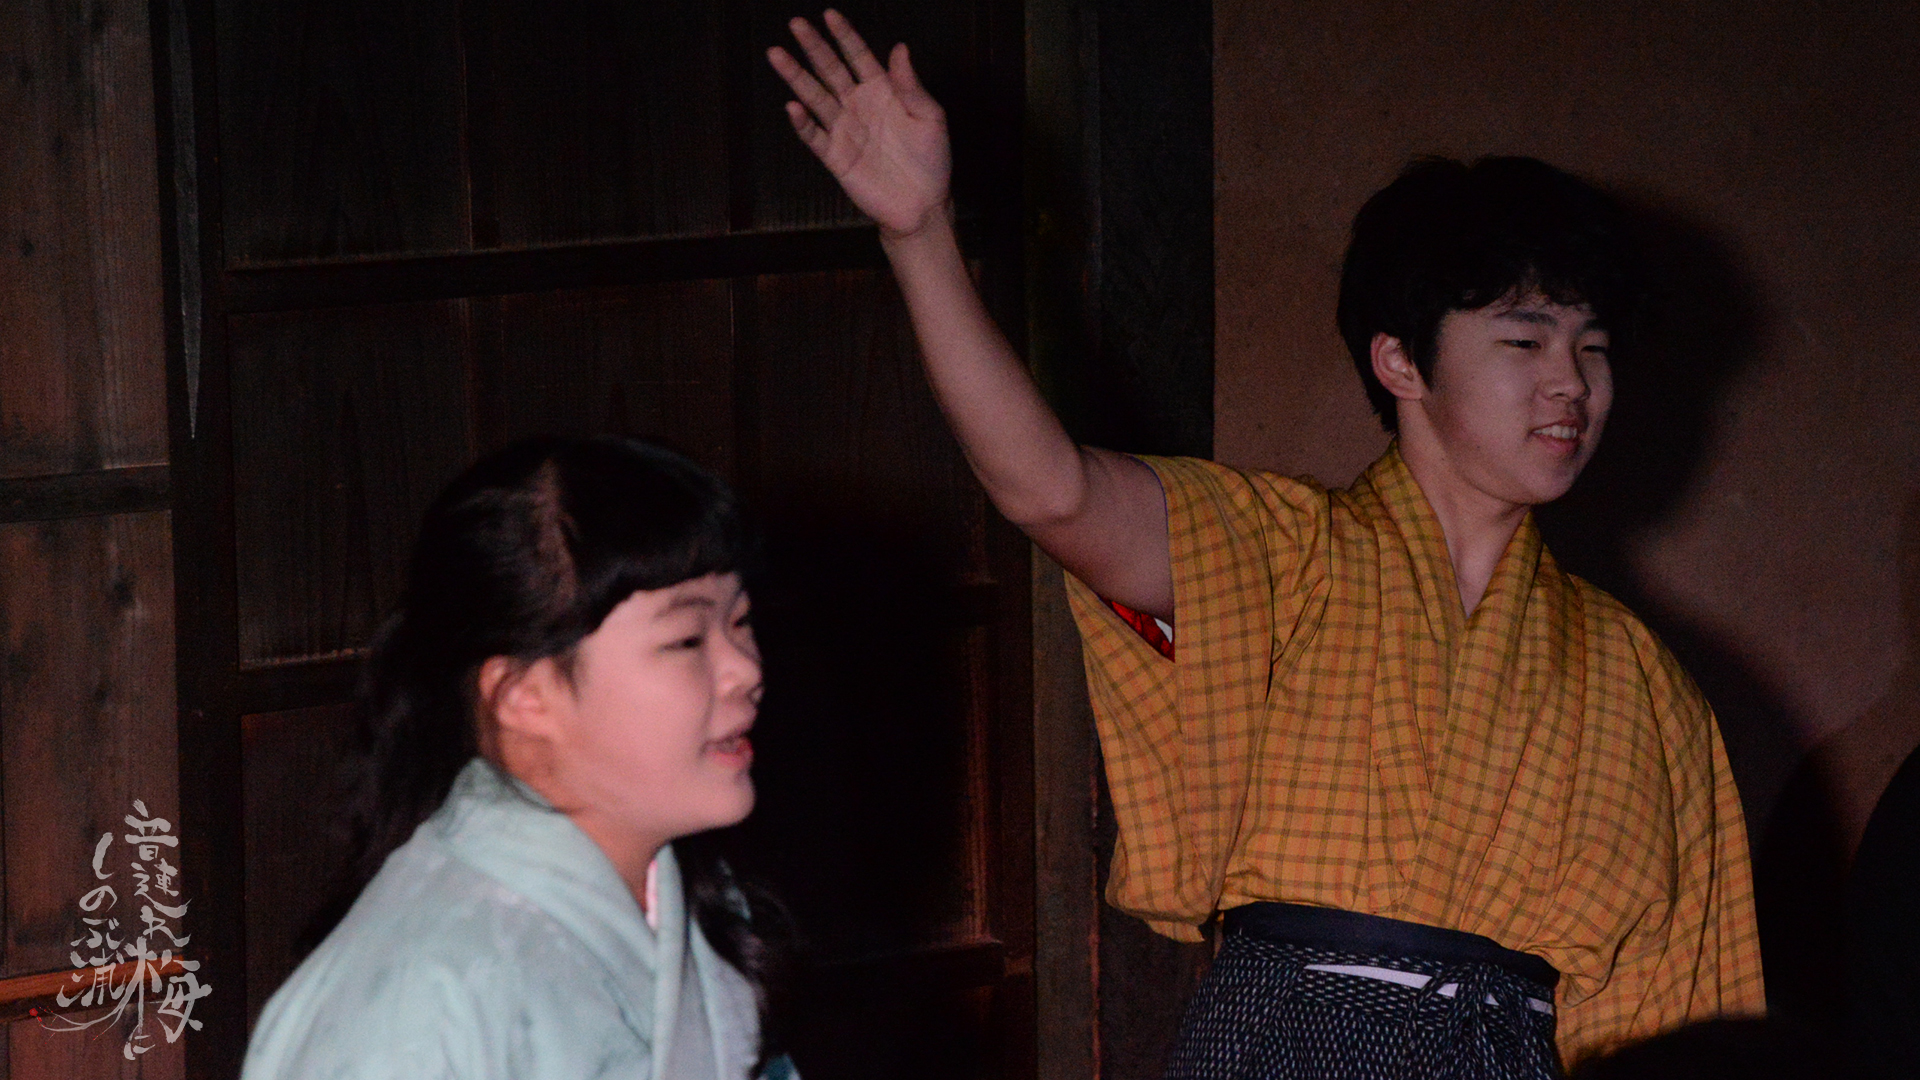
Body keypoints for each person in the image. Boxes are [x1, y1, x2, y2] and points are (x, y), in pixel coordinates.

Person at [769, 11, 1764, 1076]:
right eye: (1525, 339)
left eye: (1593, 348)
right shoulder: (1279, 554)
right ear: (1400, 362)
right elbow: (1050, 490)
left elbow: (1685, 1020)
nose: (1571, 384)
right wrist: (920, 236)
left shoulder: (1642, 683)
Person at [241, 436, 796, 1080]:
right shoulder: (419, 1001)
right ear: (524, 696)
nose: (745, 670)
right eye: (687, 640)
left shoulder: (702, 907)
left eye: (741, 622)